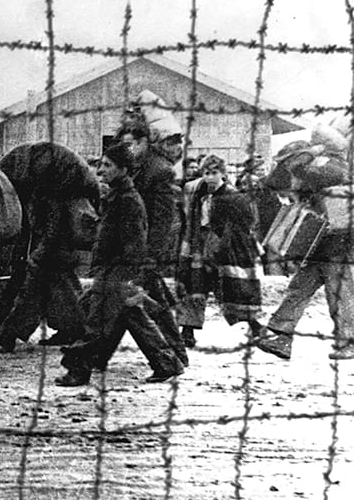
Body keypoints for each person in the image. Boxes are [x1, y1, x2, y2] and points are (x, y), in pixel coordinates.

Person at [55, 142, 185, 386]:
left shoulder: (127, 200)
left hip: (118, 270)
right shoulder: (117, 196)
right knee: (131, 315)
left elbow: (134, 241)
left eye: (107, 166)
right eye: (101, 165)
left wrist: (125, 275)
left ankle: (78, 369)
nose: (101, 171)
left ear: (123, 169)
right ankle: (167, 363)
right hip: (114, 269)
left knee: (96, 320)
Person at [0, 142, 98, 352]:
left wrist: (40, 250)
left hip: (56, 241)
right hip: (59, 240)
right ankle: (72, 329)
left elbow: (52, 224)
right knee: (57, 284)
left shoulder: (53, 185)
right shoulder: (54, 175)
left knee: (37, 281)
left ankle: (8, 331)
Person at [254, 149, 354, 360]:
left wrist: (298, 169)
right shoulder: (312, 175)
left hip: (338, 248)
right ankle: (282, 337)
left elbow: (328, 180)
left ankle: (349, 342)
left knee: (339, 296)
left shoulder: (327, 169)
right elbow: (275, 183)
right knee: (298, 290)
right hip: (317, 247)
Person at [117, 121, 188, 367]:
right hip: (132, 247)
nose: (128, 149)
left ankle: (172, 356)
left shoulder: (159, 171)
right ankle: (176, 353)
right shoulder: (137, 167)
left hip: (145, 249)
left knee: (135, 301)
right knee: (149, 301)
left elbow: (163, 219)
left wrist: (151, 254)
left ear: (145, 141)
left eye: (131, 144)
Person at [175, 155, 263, 347]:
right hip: (199, 245)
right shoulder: (197, 193)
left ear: (223, 174)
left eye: (214, 173)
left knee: (232, 288)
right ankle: (187, 331)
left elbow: (246, 222)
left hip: (225, 248)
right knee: (195, 287)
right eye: (206, 173)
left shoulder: (233, 196)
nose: (210, 177)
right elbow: (190, 220)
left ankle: (255, 326)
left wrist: (225, 240)